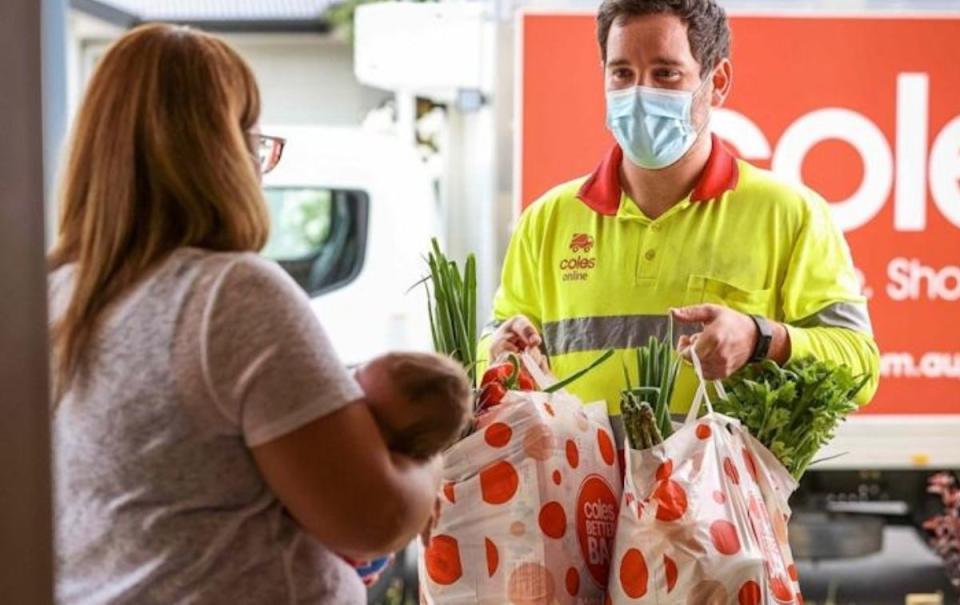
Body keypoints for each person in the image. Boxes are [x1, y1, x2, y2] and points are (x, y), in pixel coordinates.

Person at [49, 23, 442, 604]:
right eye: (254, 142)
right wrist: (430, 460)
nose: (260, 167)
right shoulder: (227, 296)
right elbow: (374, 517)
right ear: (221, 154)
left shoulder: (52, 297)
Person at [481, 0, 880, 443]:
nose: (639, 92)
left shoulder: (789, 214)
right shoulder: (547, 220)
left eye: (665, 73)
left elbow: (859, 367)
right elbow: (491, 350)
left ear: (717, 82)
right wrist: (500, 354)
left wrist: (760, 338)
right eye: (622, 73)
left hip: (714, 509)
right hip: (576, 504)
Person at [345, 352, 472, 585]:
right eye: (353, 376)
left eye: (365, 409)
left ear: (397, 453)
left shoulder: (370, 485)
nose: (346, 401)